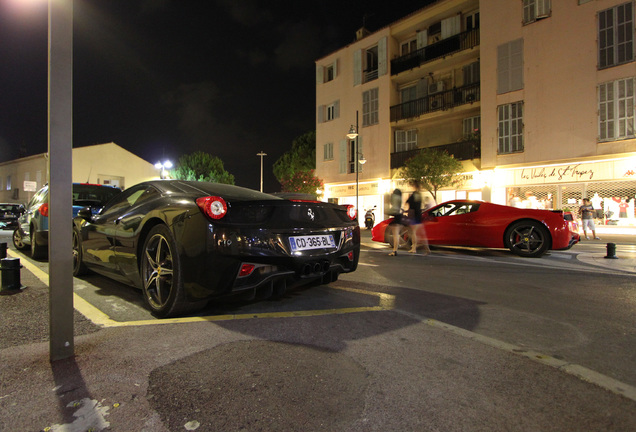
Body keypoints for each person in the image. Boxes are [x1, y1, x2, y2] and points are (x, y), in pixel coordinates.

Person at [405, 184, 430, 255]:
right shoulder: (419, 195)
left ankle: (414, 248)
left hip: (414, 217)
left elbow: (409, 204)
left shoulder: (413, 195)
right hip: (419, 216)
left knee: (413, 233)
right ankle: (427, 248)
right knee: (422, 233)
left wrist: (407, 212)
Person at [388, 188, 407, 256]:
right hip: (400, 216)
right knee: (396, 235)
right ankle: (397, 247)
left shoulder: (395, 197)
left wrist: (389, 212)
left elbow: (394, 208)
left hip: (397, 216)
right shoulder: (400, 198)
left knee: (395, 235)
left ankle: (395, 250)